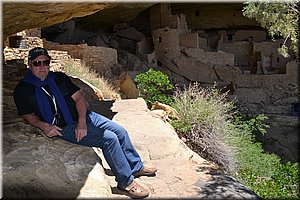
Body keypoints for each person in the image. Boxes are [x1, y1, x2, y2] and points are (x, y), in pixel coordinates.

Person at [13, 47, 157, 199]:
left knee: (120, 131)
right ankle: (126, 182)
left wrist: (82, 122)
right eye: (37, 63)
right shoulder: (22, 90)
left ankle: (136, 167)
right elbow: (28, 116)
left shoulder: (59, 78)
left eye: (45, 62)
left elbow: (79, 99)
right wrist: (44, 126)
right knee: (109, 139)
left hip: (85, 116)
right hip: (64, 127)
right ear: (30, 64)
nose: (42, 66)